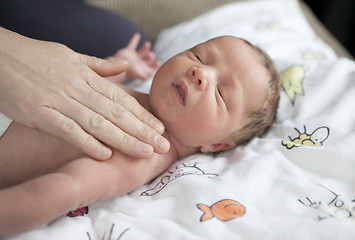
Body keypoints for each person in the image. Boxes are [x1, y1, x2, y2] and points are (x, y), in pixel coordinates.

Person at [0, 35, 280, 236]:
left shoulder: (146, 150)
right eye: (198, 56)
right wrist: (121, 65)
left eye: (221, 93)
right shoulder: (140, 99)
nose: (200, 72)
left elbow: (65, 189)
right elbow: (84, 85)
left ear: (216, 143)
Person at [0, 26, 170, 161]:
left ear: (199, 145)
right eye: (195, 57)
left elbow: (86, 84)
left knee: (125, 35)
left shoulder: (148, 154)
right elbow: (89, 81)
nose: (196, 73)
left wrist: (119, 68)